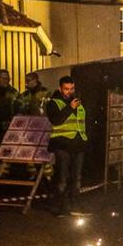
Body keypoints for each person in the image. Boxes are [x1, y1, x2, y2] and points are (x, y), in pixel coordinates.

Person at [46, 76, 88, 217]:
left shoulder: (79, 103)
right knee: (62, 178)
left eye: (71, 88)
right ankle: (62, 207)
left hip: (78, 144)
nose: (69, 92)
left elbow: (82, 123)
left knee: (77, 178)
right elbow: (56, 120)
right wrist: (70, 108)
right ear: (60, 88)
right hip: (62, 144)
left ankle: (75, 205)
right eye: (66, 89)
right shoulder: (54, 103)